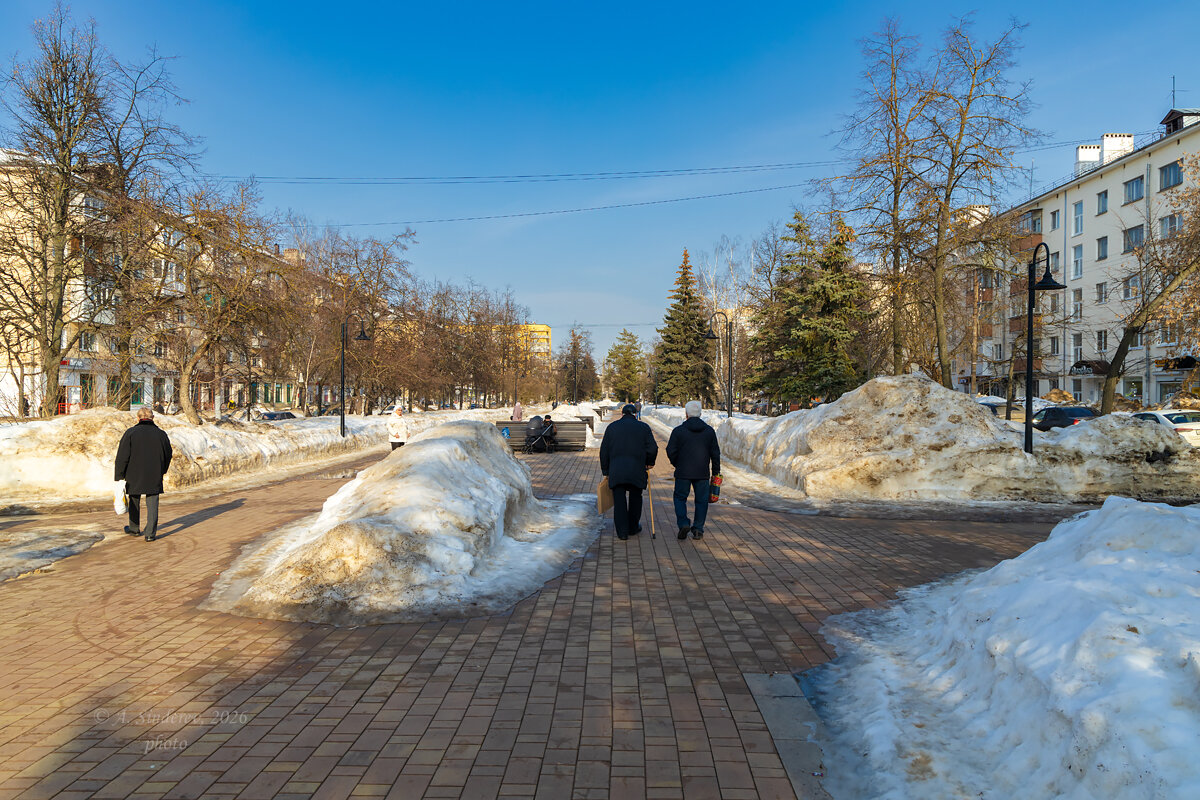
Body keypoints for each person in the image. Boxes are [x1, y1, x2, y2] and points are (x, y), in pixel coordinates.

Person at [599, 403, 658, 540]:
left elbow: (604, 451)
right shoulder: (643, 427)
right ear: (635, 414)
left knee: (619, 500)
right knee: (636, 498)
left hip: (617, 470)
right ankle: (633, 527)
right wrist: (650, 462)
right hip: (637, 470)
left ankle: (622, 532)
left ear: (622, 414)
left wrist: (606, 470)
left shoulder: (612, 427)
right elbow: (653, 448)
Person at [114, 407, 173, 542]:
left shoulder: (130, 433)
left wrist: (119, 475)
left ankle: (134, 528)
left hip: (133, 473)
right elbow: (168, 454)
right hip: (154, 472)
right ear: (153, 418)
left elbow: (122, 456)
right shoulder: (161, 434)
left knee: (134, 499)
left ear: (138, 418)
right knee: (153, 502)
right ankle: (150, 533)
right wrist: (163, 470)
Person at [666, 400, 720, 541]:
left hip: (683, 472)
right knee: (701, 501)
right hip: (702, 473)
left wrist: (677, 463)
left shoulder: (678, 431)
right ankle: (698, 529)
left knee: (680, 498)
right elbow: (715, 454)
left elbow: (670, 450)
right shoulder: (709, 431)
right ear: (700, 414)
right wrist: (716, 472)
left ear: (686, 414)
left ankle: (683, 523)